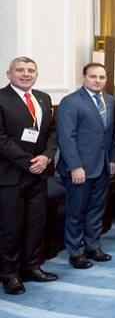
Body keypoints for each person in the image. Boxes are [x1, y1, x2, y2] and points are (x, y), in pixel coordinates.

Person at [0, 57, 58, 294]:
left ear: (37, 74)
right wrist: (28, 162)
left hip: (39, 175)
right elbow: (1, 138)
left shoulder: (43, 99)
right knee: (10, 227)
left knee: (35, 223)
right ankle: (10, 274)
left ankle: (31, 267)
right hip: (10, 175)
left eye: (31, 70)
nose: (26, 74)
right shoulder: (1, 99)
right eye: (20, 70)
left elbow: (52, 132)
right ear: (8, 73)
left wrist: (46, 156)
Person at [56, 63, 115, 269]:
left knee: (96, 209)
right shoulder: (70, 102)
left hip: (102, 166)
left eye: (102, 77)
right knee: (76, 211)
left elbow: (110, 135)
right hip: (79, 169)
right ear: (84, 77)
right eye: (93, 77)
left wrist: (112, 159)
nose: (98, 81)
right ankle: (76, 251)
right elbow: (66, 138)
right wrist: (75, 166)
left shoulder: (109, 100)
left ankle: (93, 246)